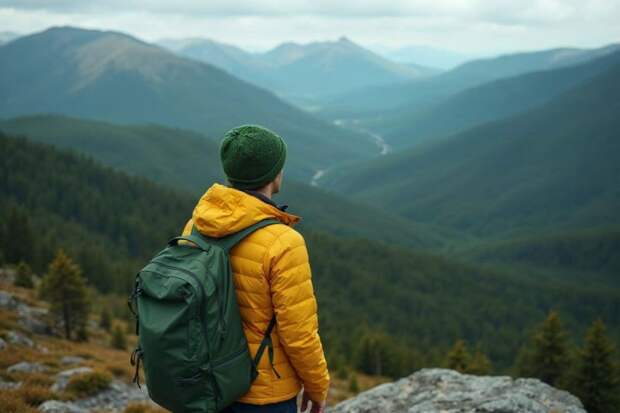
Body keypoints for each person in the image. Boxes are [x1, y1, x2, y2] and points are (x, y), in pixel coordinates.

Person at [182, 125, 330, 413]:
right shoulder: (284, 242)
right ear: (274, 174)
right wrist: (317, 386)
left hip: (208, 384)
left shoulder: (197, 225)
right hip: (262, 395)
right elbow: (299, 334)